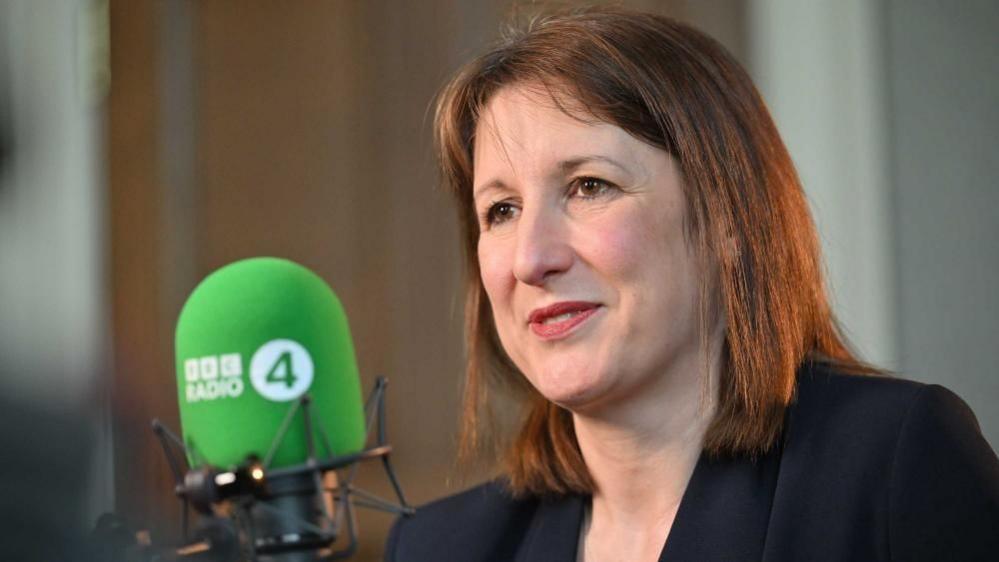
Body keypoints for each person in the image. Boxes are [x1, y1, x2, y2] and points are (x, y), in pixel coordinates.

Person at [384, 7, 999, 561]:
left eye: (589, 186)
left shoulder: (894, 466)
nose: (530, 260)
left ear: (727, 218)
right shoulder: (439, 547)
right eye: (502, 210)